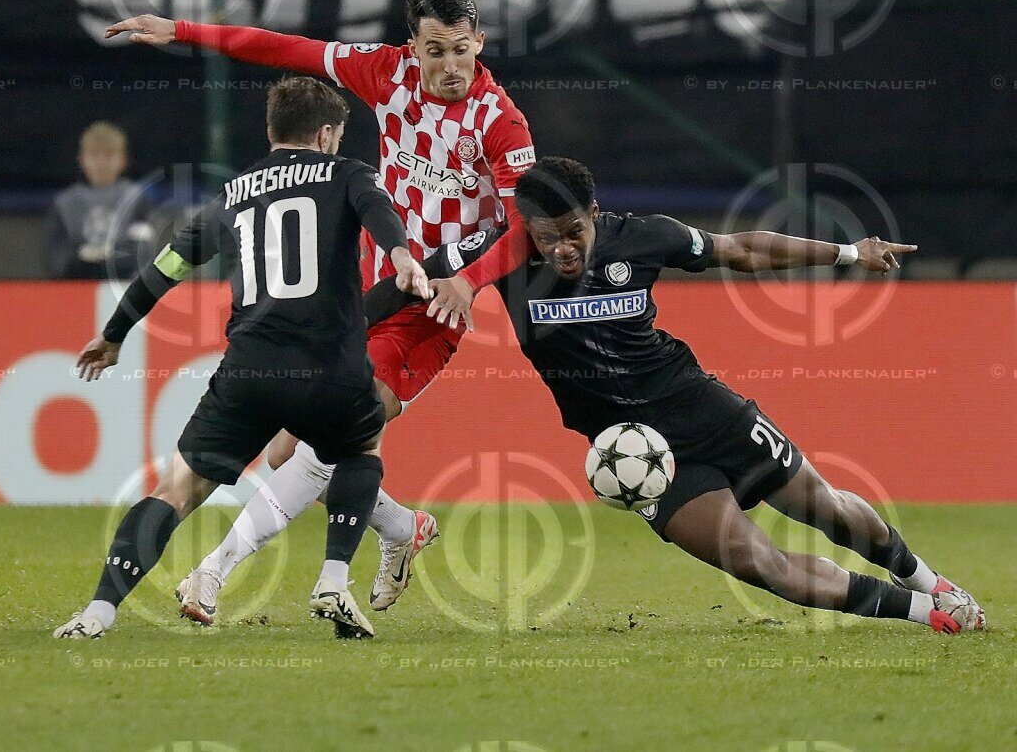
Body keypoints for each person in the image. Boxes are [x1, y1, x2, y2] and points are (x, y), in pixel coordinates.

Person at [367, 157, 986, 634]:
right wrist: (326, 330)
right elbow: (408, 283)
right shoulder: (496, 255)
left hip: (701, 408)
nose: (562, 248)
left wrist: (849, 251)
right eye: (546, 236)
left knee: (826, 508)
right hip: (636, 456)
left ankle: (928, 580)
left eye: (574, 231)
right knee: (757, 563)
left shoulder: (641, 238)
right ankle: (922, 613)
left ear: (595, 211)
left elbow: (740, 249)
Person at [104, 0, 537, 615]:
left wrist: (468, 281)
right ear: (411, 46)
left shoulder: (499, 120)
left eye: (461, 50)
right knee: (288, 448)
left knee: (318, 448)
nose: (450, 66)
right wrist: (183, 31)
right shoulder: (384, 72)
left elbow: (524, 225)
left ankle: (211, 573)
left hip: (433, 300)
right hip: (360, 291)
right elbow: (287, 48)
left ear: (480, 43)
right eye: (435, 50)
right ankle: (400, 529)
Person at [52, 76, 429, 641]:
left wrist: (114, 333)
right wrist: (402, 255)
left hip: (250, 370)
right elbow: (377, 211)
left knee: (174, 492)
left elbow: (167, 268)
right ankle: (332, 578)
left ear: (273, 131)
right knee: (358, 446)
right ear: (327, 135)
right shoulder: (349, 173)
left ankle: (98, 612)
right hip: (332, 369)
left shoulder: (232, 195)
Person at [45, 120, 153, 279]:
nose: (101, 163)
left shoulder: (136, 199)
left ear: (123, 160)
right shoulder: (64, 204)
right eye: (94, 154)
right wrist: (81, 258)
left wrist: (108, 257)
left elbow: (142, 254)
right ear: (82, 159)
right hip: (75, 290)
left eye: (109, 154)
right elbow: (56, 259)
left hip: (123, 289)